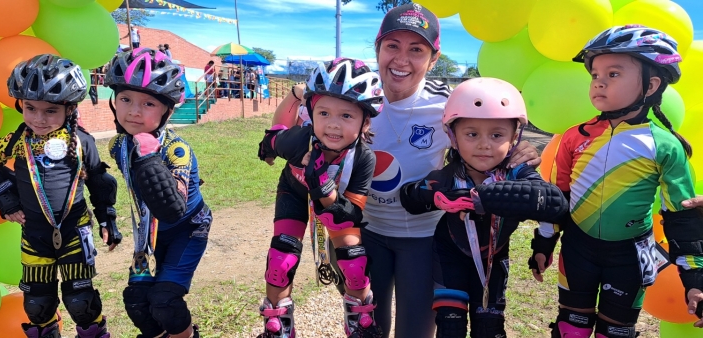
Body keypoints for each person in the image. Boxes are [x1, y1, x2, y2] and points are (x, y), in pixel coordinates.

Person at [270, 3, 541, 337]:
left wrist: (519, 151)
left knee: (415, 331)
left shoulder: (450, 102)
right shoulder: (349, 98)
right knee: (367, 327)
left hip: (424, 239)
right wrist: (298, 95)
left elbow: (489, 140)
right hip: (362, 234)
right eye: (392, 47)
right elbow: (290, 134)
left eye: (416, 49)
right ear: (378, 49)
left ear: (434, 59)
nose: (401, 60)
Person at [529, 25, 703, 337]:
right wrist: (543, 243)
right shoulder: (573, 137)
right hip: (577, 248)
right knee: (571, 329)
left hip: (631, 257)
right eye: (595, 75)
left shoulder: (664, 145)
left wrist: (695, 280)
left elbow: (683, 216)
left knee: (615, 332)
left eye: (613, 74)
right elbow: (557, 197)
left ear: (650, 85)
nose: (598, 83)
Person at [400, 77, 568, 337]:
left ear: (515, 138)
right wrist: (437, 198)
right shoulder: (448, 175)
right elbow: (409, 197)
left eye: (497, 135)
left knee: (489, 329)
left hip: (494, 260)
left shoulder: (517, 172)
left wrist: (542, 246)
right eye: (472, 133)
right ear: (453, 136)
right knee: (450, 327)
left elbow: (551, 203)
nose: (484, 144)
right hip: (448, 257)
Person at [0, 54, 122, 338]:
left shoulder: (81, 141)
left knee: (81, 303)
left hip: (75, 232)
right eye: (30, 108)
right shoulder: (17, 141)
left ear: (69, 109)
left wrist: (107, 219)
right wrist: (5, 201)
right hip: (35, 236)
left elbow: (100, 182)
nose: (38, 119)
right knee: (37, 306)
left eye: (50, 111)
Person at [256, 58, 385, 338]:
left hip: (335, 204)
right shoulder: (299, 140)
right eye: (324, 113)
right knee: (281, 258)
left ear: (365, 123)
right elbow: (274, 135)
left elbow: (350, 213)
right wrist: (293, 96)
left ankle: (360, 320)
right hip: (294, 192)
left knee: (353, 261)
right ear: (311, 114)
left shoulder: (363, 158)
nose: (333, 126)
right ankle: (277, 324)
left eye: (347, 116)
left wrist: (324, 189)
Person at [105, 47, 213, 338]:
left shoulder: (177, 150)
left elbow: (172, 208)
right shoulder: (118, 146)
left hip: (187, 229)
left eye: (148, 103)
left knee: (165, 302)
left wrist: (152, 160)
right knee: (137, 304)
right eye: (125, 99)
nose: (134, 111)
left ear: (167, 109)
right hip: (149, 235)